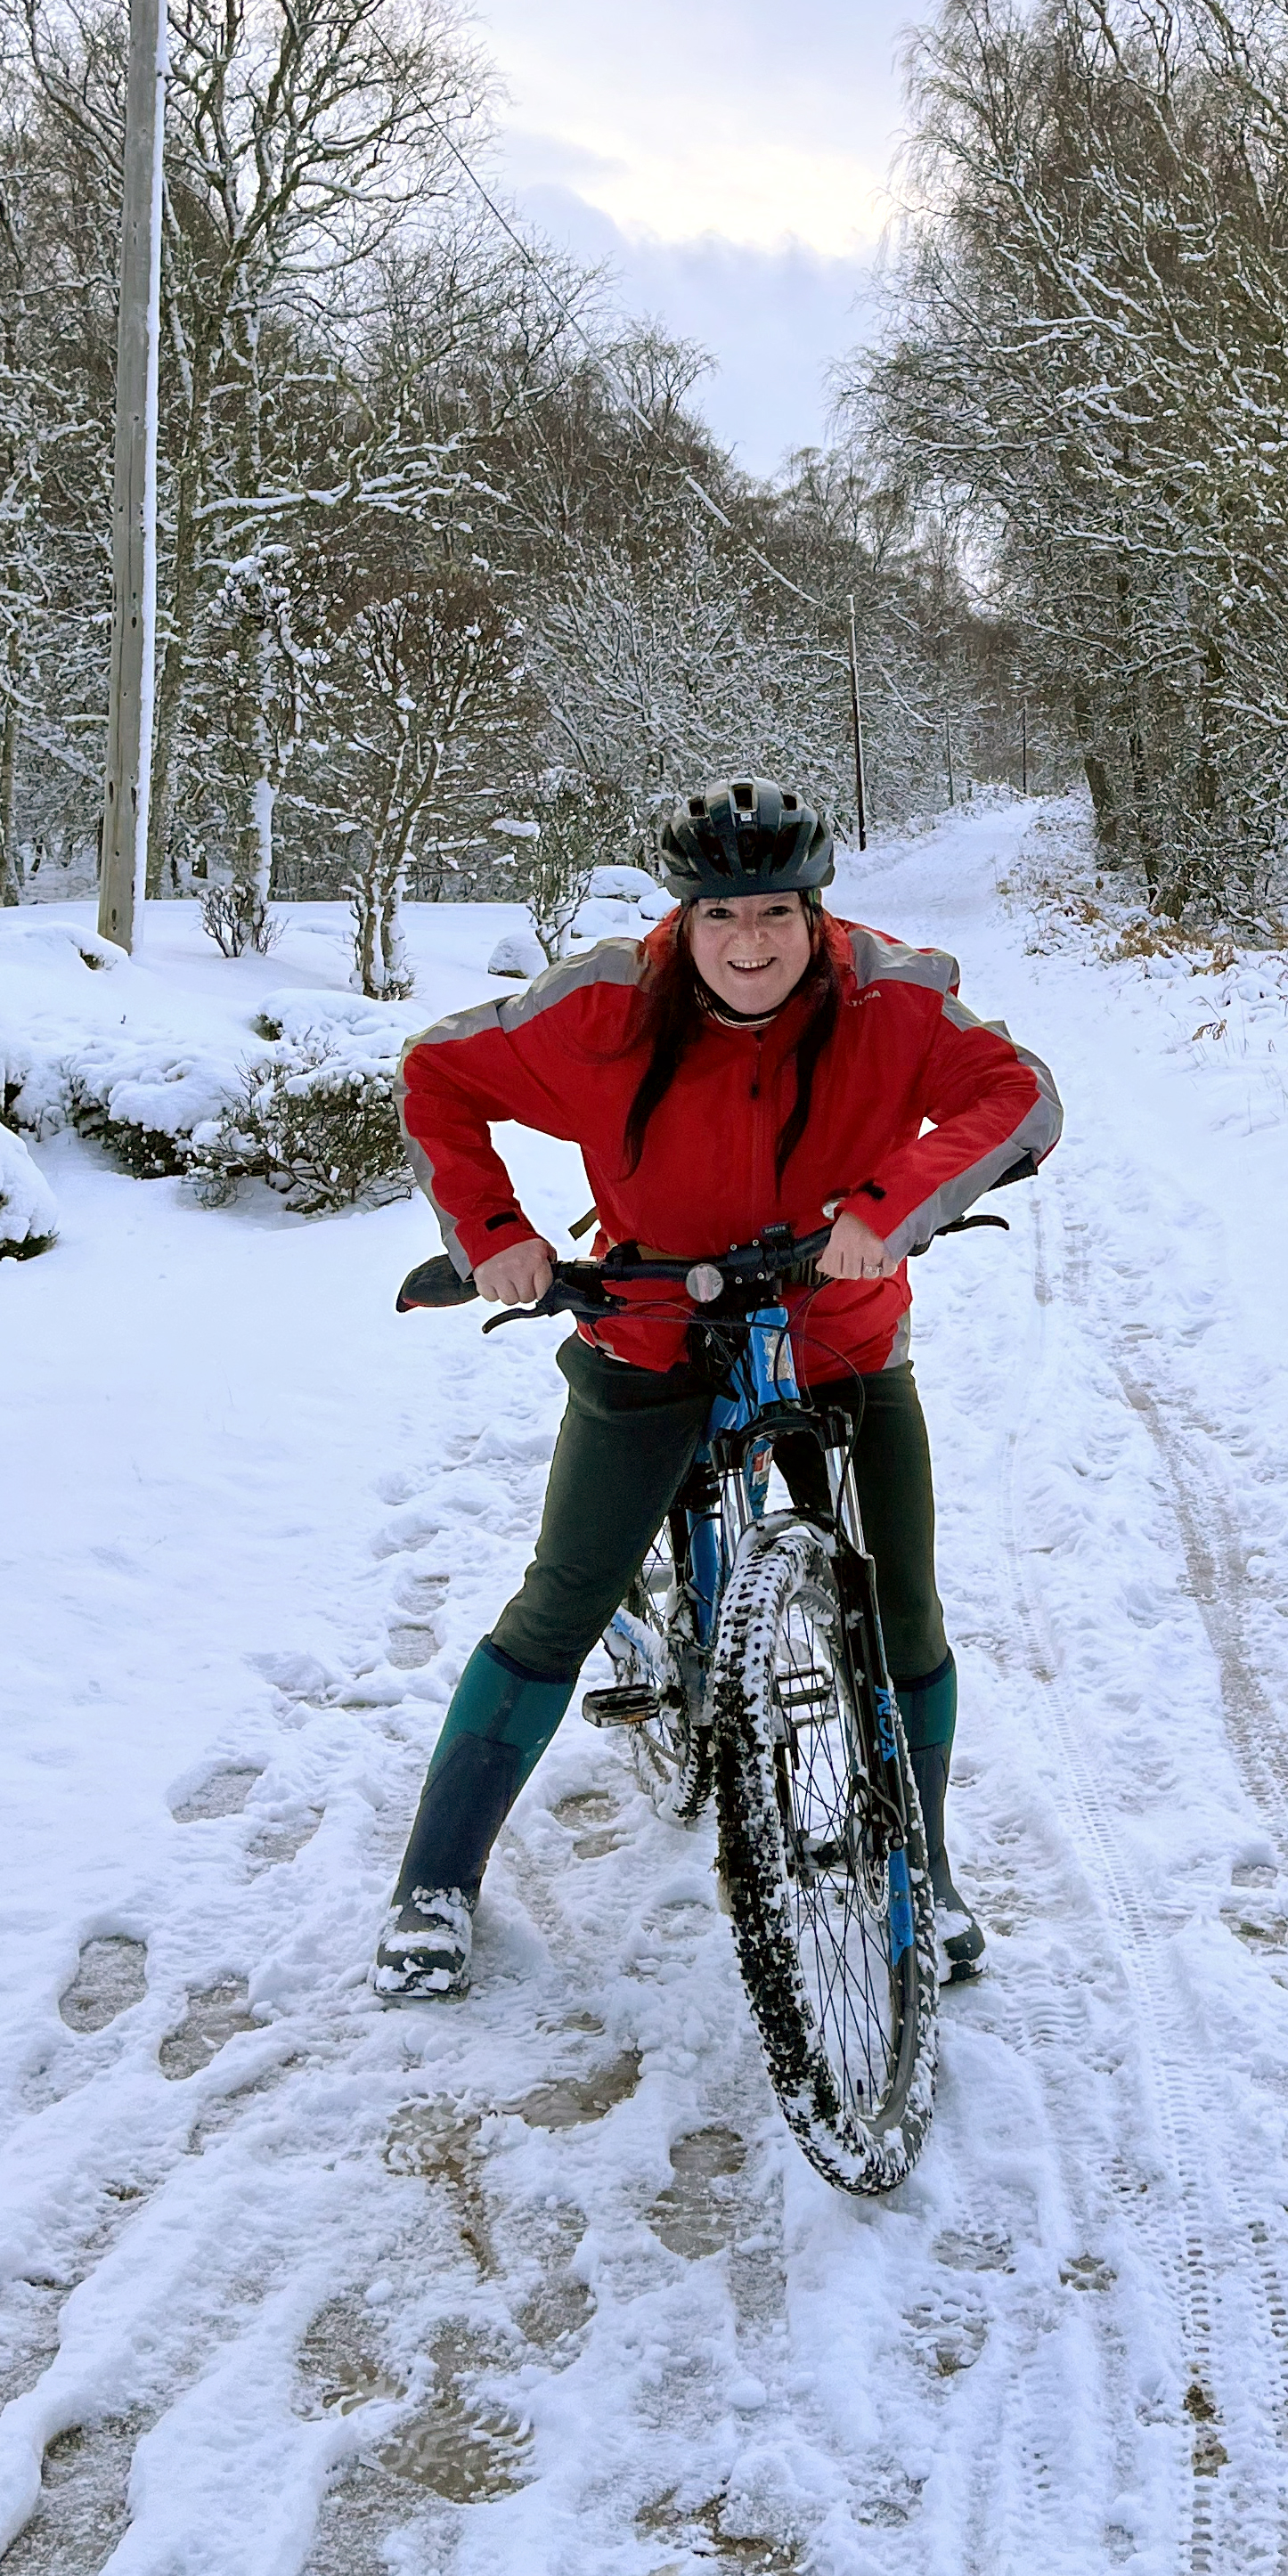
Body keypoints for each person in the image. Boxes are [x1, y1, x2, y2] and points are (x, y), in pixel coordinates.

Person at [373, 778, 1062, 2003]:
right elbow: (439, 1074)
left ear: (816, 915)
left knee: (900, 1610)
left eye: (776, 917)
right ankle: (436, 1879)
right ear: (682, 924)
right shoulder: (602, 1010)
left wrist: (891, 1210)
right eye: (719, 917)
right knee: (563, 1603)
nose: (750, 945)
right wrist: (494, 1233)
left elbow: (1017, 1097)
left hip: (837, 1339)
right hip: (644, 1330)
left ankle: (927, 1866)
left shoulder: (891, 1000)